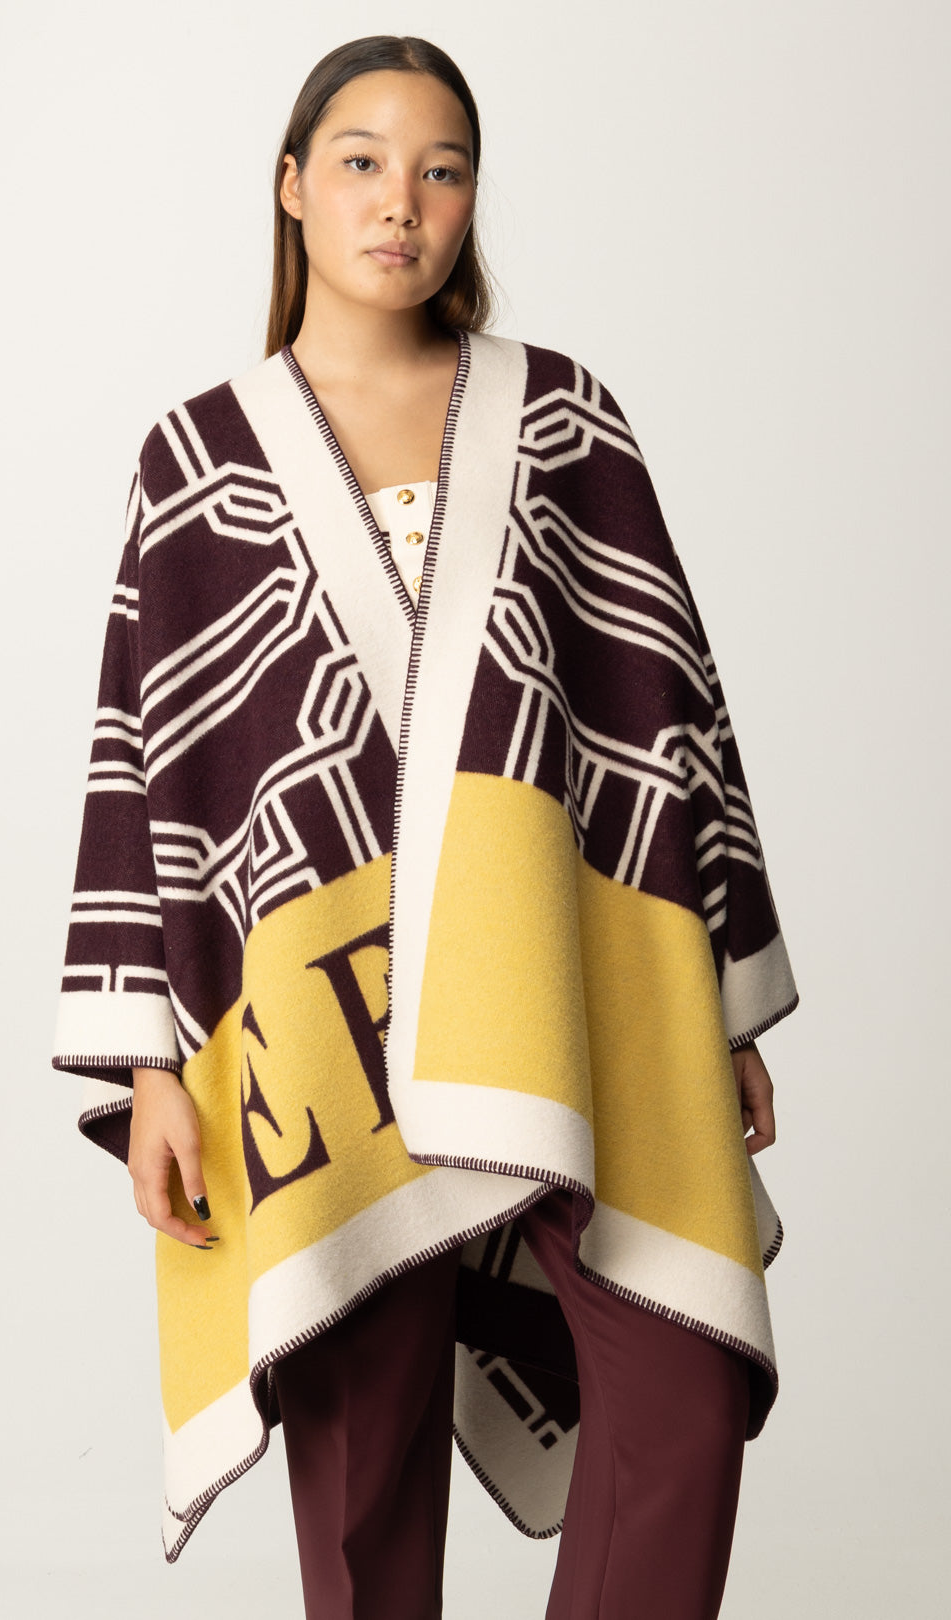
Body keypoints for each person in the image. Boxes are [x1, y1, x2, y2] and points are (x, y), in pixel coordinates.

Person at [52, 34, 798, 1620]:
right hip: (322, 1030)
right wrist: (156, 1064)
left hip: (574, 991)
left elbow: (670, 718)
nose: (402, 201)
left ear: (470, 201)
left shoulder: (567, 420)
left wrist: (720, 1006)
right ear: (292, 187)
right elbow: (146, 769)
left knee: (681, 1401)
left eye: (442, 170)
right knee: (362, 1484)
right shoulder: (197, 459)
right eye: (363, 162)